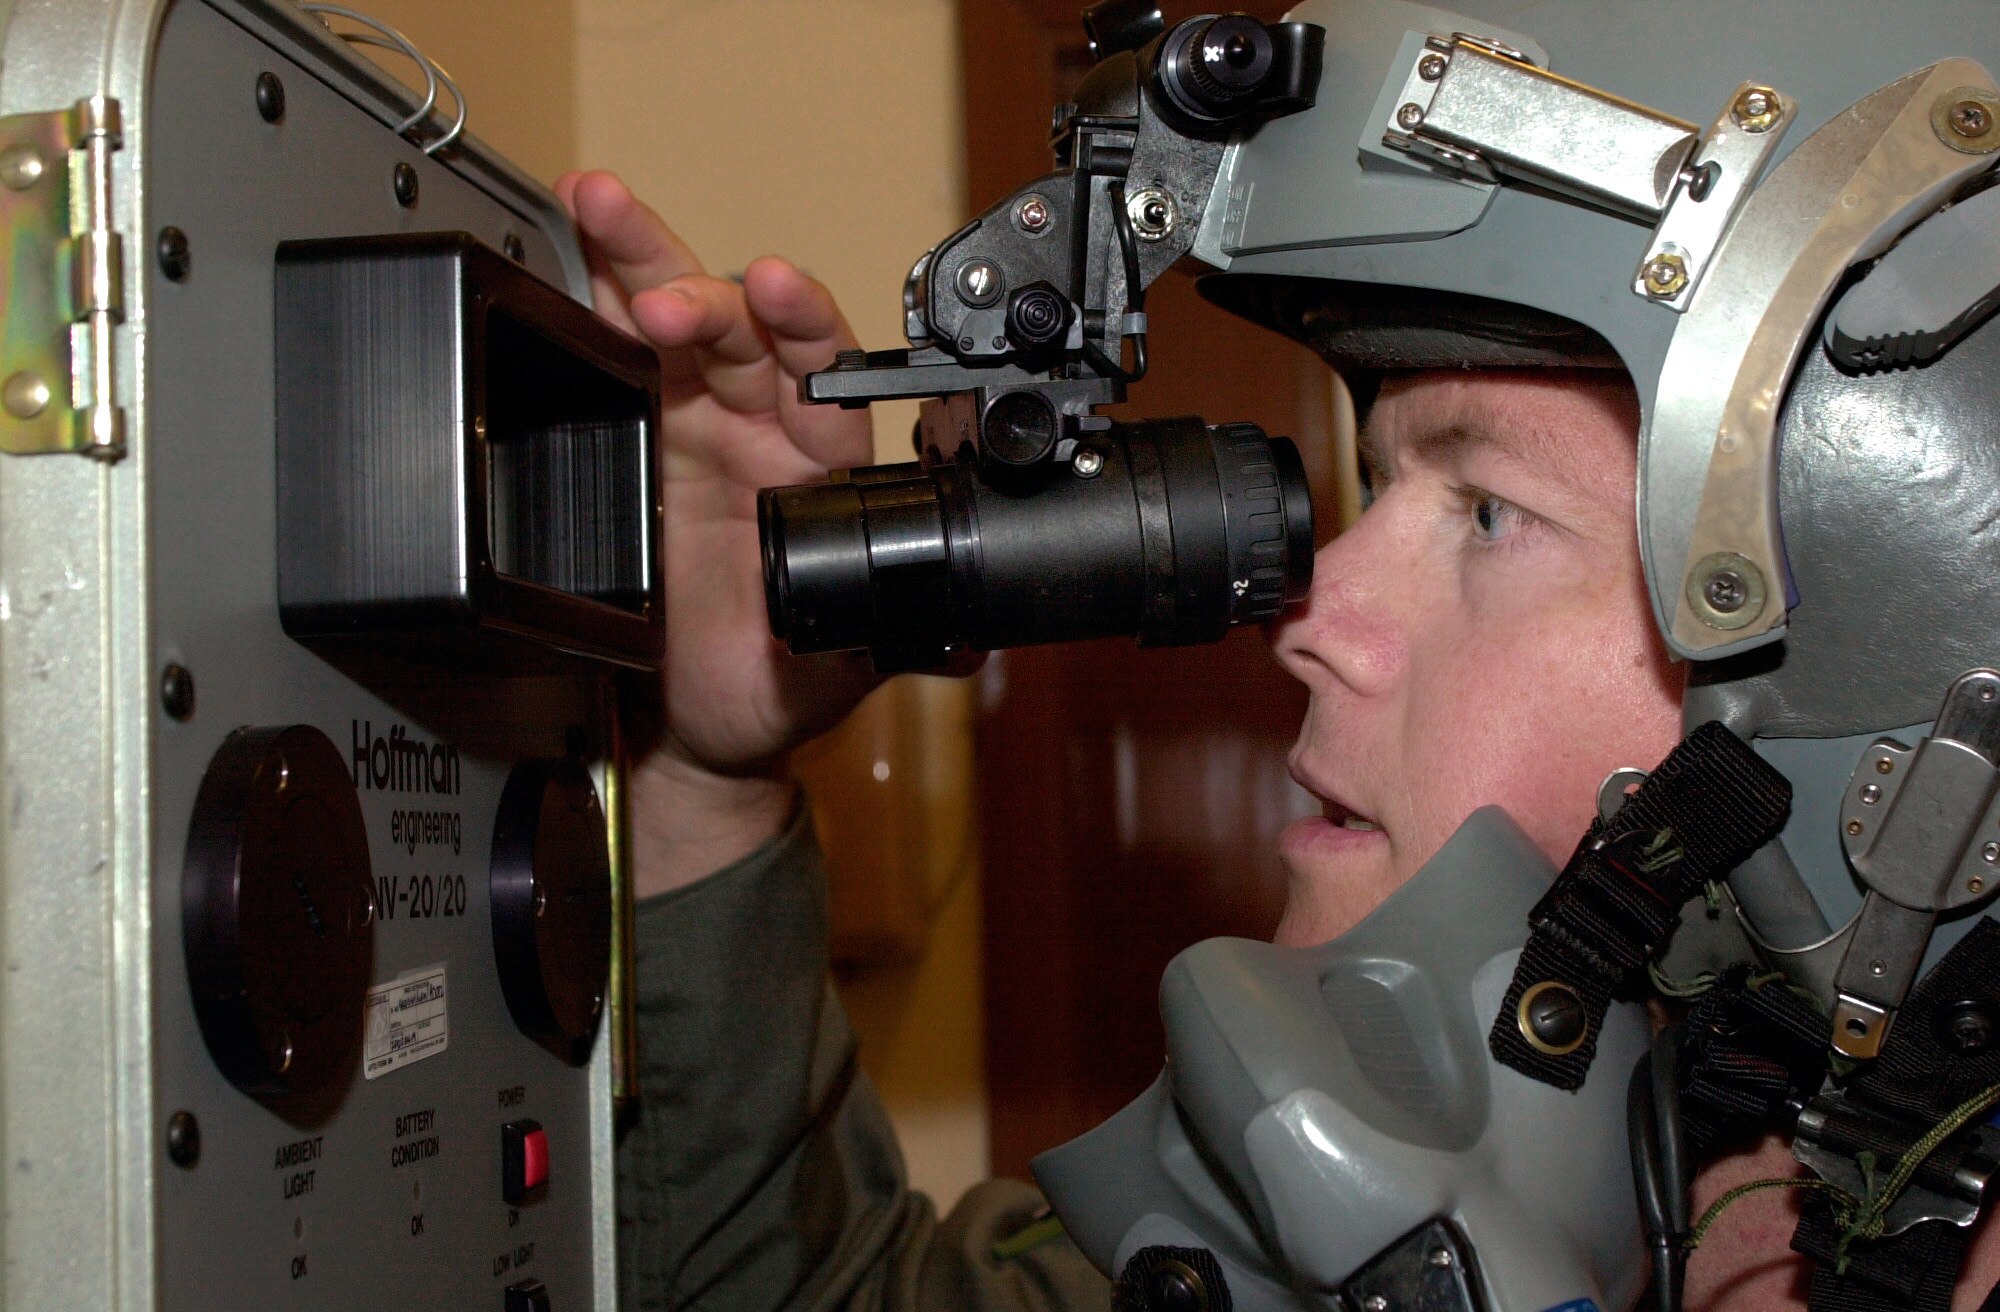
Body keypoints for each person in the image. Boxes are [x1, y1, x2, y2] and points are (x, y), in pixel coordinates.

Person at [555, 0, 2000, 1305]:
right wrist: (703, 767)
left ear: (1888, 635)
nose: (1304, 623)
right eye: (1382, 489)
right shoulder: (1395, 1200)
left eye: (1489, 510)